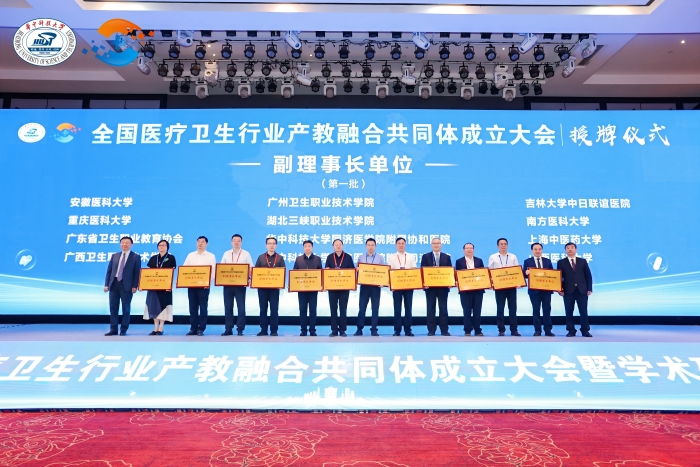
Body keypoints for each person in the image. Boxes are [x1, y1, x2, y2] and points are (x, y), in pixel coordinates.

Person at [103, 236, 141, 336]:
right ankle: (113, 329)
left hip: (127, 285)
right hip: (114, 284)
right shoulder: (114, 256)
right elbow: (109, 271)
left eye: (127, 243)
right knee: (113, 307)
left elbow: (137, 273)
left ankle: (123, 329)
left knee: (126, 308)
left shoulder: (136, 257)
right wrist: (106, 284)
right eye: (122, 242)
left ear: (131, 244)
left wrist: (135, 286)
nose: (124, 244)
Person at [220, 234, 255, 336]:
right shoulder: (226, 253)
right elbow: (221, 268)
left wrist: (248, 278)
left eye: (238, 241)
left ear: (241, 242)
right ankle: (228, 329)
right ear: (231, 242)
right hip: (227, 284)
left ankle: (240, 329)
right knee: (228, 307)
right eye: (234, 240)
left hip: (240, 285)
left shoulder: (246, 254)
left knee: (241, 307)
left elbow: (251, 268)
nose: (236, 242)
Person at [557, 242, 593, 337]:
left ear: (575, 249)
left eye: (572, 247)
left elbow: (588, 276)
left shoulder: (582, 261)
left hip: (582, 290)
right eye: (568, 248)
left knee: (583, 312)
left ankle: (585, 330)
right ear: (565, 250)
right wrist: (560, 289)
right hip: (568, 291)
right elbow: (559, 277)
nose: (570, 249)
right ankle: (571, 330)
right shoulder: (561, 262)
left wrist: (589, 288)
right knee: (569, 312)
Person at [183, 236, 217, 336]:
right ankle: (193, 328)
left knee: (203, 307)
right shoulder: (190, 255)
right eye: (198, 242)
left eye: (202, 242)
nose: (200, 244)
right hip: (192, 285)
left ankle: (201, 328)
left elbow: (213, 271)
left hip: (204, 286)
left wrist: (208, 282)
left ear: (207, 244)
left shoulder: (211, 256)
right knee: (192, 308)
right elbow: (185, 269)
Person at [488, 238, 521, 337]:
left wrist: (519, 282)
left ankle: (514, 330)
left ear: (507, 245)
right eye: (501, 244)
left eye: (505, 244)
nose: (503, 245)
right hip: (499, 287)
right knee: (500, 309)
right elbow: (490, 271)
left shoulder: (513, 256)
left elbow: (517, 271)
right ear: (497, 246)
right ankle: (501, 330)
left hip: (511, 286)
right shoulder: (493, 257)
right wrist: (491, 283)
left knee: (513, 309)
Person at [143, 240, 176, 335]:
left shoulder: (171, 258)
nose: (161, 247)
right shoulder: (153, 258)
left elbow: (172, 272)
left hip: (165, 286)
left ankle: (161, 328)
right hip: (153, 286)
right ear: (157, 247)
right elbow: (148, 273)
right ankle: (155, 328)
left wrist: (170, 285)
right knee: (153, 306)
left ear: (167, 247)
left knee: (163, 306)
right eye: (160, 245)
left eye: (164, 245)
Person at [420, 237, 452, 336]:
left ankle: (444, 330)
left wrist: (450, 282)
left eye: (438, 243)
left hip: (443, 288)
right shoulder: (426, 256)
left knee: (443, 309)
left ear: (441, 245)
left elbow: (450, 271)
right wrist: (424, 283)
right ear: (431, 245)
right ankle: (431, 330)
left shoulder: (446, 257)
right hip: (430, 288)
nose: (436, 245)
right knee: (430, 309)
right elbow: (422, 271)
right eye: (434, 243)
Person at [255, 237, 286, 336]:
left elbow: (283, 272)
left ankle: (274, 330)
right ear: (266, 245)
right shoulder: (261, 257)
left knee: (274, 310)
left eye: (273, 243)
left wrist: (281, 284)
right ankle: (263, 330)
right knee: (263, 309)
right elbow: (256, 272)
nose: (271, 245)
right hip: (262, 289)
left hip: (274, 289)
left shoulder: (280, 258)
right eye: (269, 243)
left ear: (276, 245)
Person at [523, 242, 555, 337]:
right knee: (536, 310)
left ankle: (548, 330)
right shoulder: (527, 261)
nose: (537, 251)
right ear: (532, 250)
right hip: (534, 291)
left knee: (547, 310)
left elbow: (553, 275)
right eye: (535, 249)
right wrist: (526, 273)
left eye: (539, 249)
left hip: (546, 290)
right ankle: (537, 330)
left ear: (542, 250)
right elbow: (524, 275)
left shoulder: (547, 261)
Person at [355, 237, 385, 337]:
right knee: (362, 308)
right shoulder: (361, 257)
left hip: (376, 287)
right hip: (364, 286)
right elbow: (357, 271)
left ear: (375, 246)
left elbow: (383, 272)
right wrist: (357, 270)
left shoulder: (380, 258)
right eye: (369, 245)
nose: (370, 247)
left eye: (372, 245)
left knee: (375, 309)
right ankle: (359, 329)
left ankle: (374, 329)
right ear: (366, 246)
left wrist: (383, 282)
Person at [325, 239, 355, 337]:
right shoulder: (329, 257)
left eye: (339, 244)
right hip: (332, 288)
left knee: (343, 309)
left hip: (344, 288)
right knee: (333, 309)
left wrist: (352, 284)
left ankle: (342, 330)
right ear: (333, 246)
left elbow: (352, 271)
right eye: (336, 245)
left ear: (343, 246)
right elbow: (326, 271)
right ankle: (334, 330)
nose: (338, 246)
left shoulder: (348, 257)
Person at [386, 237, 416, 337]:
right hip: (397, 287)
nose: (401, 245)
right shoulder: (391, 257)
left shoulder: (411, 257)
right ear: (396, 245)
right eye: (399, 243)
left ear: (405, 245)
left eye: (403, 243)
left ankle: (408, 330)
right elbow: (389, 271)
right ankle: (397, 330)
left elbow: (414, 270)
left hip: (408, 286)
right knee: (397, 309)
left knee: (408, 309)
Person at [455, 242, 485, 337]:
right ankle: (467, 330)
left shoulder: (479, 261)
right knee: (466, 311)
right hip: (465, 291)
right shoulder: (459, 261)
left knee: (477, 311)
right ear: (463, 250)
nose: (469, 250)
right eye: (467, 248)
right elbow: (457, 275)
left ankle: (477, 330)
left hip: (478, 290)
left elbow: (483, 274)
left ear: (473, 250)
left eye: (471, 248)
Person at [293, 240, 322, 336]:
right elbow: (294, 273)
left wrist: (321, 285)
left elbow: (321, 273)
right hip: (302, 289)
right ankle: (303, 330)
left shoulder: (317, 259)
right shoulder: (298, 259)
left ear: (312, 248)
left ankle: (312, 330)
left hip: (313, 289)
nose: (307, 248)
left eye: (309, 246)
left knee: (313, 310)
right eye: (305, 246)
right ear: (303, 248)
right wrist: (293, 285)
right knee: (302, 310)